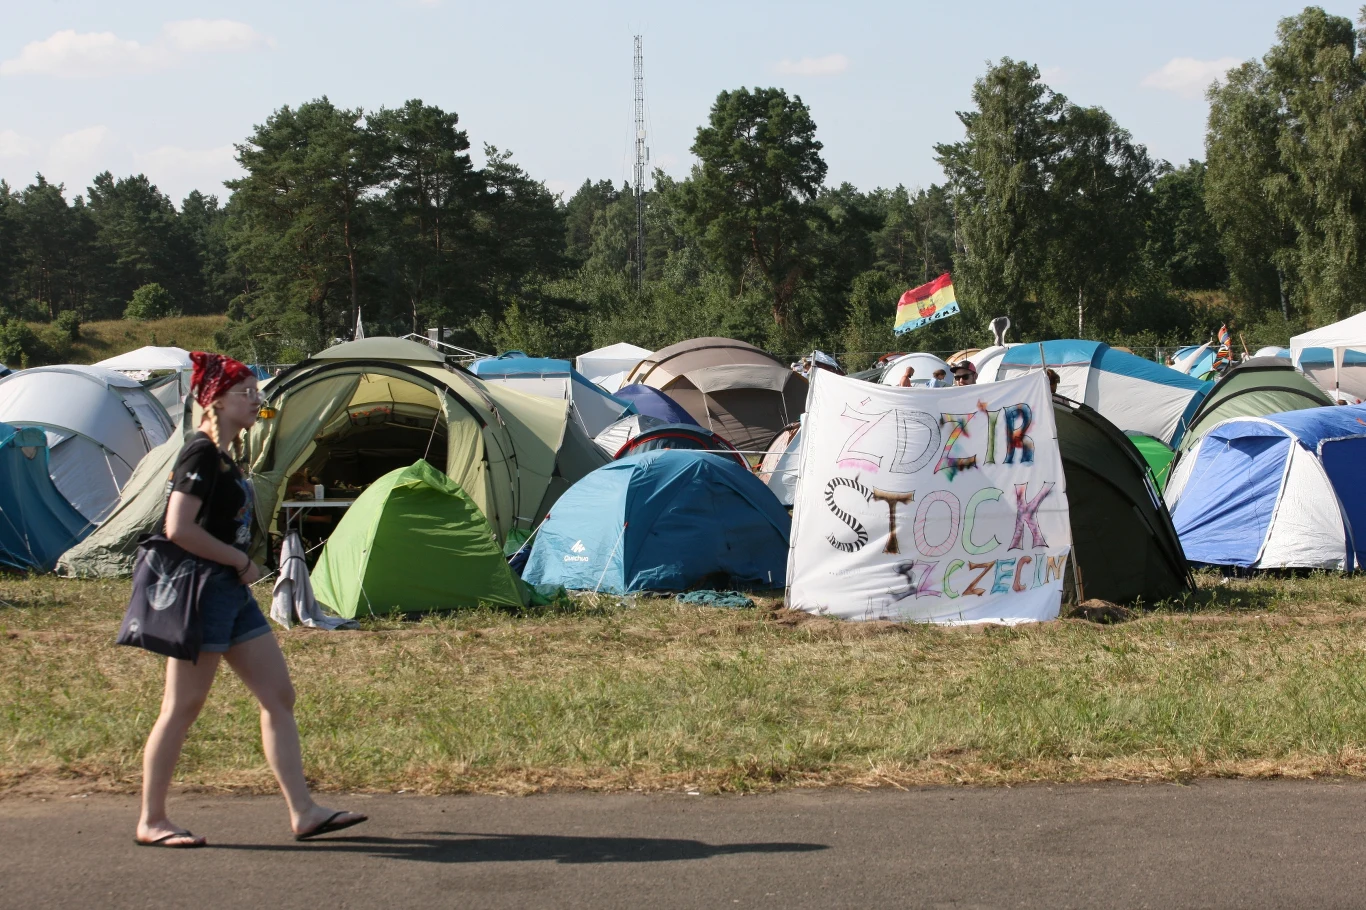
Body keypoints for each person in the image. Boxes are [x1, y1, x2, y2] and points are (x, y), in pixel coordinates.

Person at [135, 352, 366, 848]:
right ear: (216, 401)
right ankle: (152, 820)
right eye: (246, 393)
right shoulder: (199, 453)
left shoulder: (225, 456)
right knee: (182, 706)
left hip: (231, 594)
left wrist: (238, 568)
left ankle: (304, 812)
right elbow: (178, 528)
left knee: (278, 695)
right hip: (204, 591)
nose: (256, 401)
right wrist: (239, 561)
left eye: (256, 392)